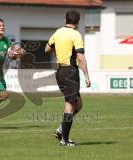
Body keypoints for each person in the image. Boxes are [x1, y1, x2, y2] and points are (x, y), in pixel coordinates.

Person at [45, 10, 91, 146]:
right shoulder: (75, 34)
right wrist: (87, 75)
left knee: (78, 104)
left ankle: (61, 130)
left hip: (60, 71)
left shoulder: (58, 32)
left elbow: (47, 49)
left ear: (65, 20)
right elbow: (80, 57)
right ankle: (64, 140)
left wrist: (59, 48)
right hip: (70, 71)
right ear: (78, 22)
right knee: (70, 105)